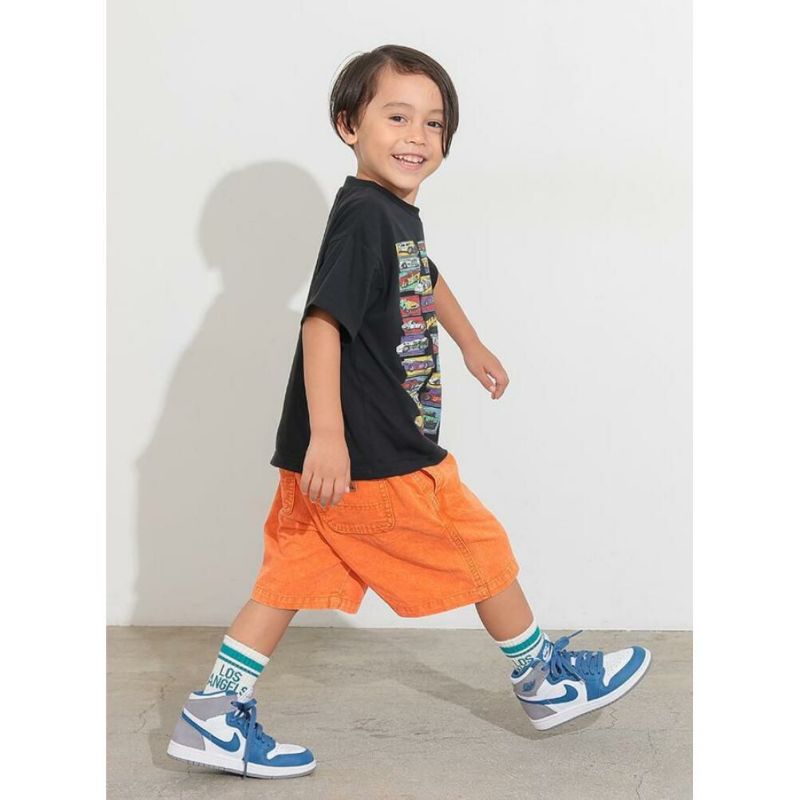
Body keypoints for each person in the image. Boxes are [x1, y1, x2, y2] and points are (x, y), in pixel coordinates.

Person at [166, 44, 651, 780]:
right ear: (348, 125)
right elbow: (321, 324)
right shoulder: (366, 216)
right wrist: (331, 435)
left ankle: (213, 713)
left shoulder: (388, 213)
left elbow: (424, 272)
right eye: (397, 117)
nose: (417, 136)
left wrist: (469, 342)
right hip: (370, 452)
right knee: (478, 543)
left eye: (433, 123)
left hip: (324, 460)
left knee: (289, 577)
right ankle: (542, 679)